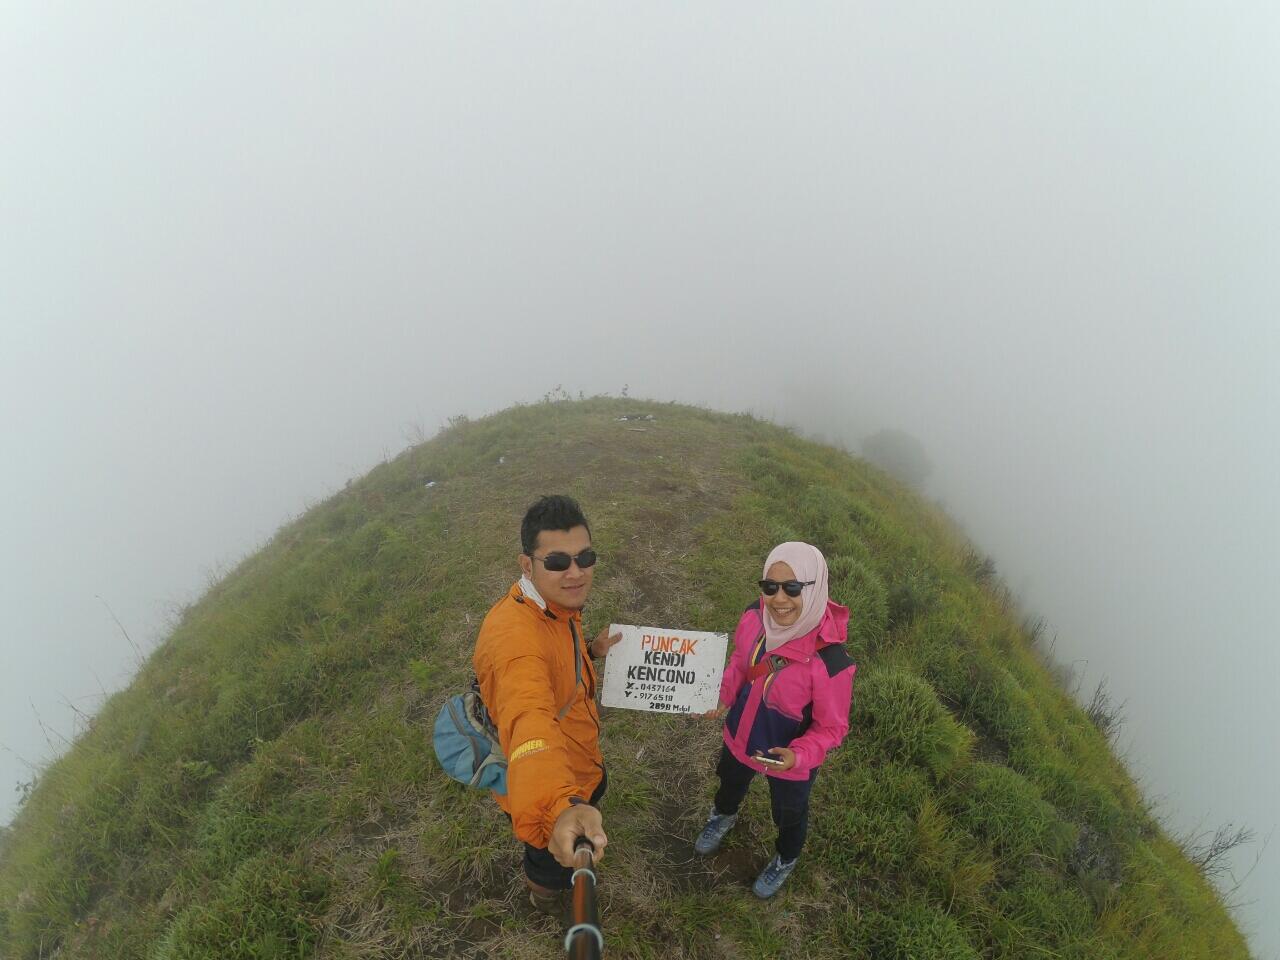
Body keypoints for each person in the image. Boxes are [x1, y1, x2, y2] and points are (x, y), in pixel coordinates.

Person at [472, 495, 622, 915]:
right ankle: (544, 894)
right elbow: (529, 717)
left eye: (585, 557)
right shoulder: (515, 641)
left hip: (580, 761)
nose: (575, 573)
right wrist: (558, 812)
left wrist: (590, 651)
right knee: (546, 858)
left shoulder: (553, 607)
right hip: (547, 789)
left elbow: (558, 668)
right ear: (527, 565)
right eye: (558, 562)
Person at [695, 541, 856, 897]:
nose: (778, 600)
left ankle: (786, 856)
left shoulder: (831, 662)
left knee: (789, 811)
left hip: (787, 759)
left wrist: (799, 755)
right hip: (740, 734)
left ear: (814, 588)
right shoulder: (755, 617)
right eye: (770, 587)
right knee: (729, 781)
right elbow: (741, 664)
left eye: (792, 588)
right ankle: (723, 815)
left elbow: (832, 727)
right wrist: (722, 695)